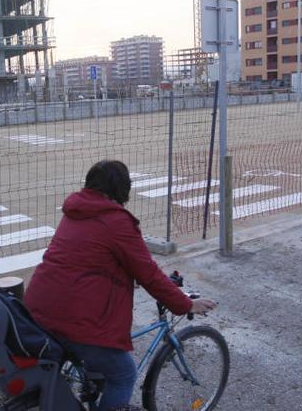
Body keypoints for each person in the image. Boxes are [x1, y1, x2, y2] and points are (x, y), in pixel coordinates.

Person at [25, 160, 216, 411]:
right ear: (122, 189)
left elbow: (89, 260)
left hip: (37, 309)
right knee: (124, 374)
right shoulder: (115, 221)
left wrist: (124, 277)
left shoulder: (76, 211)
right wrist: (186, 304)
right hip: (73, 318)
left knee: (96, 364)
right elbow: (148, 274)